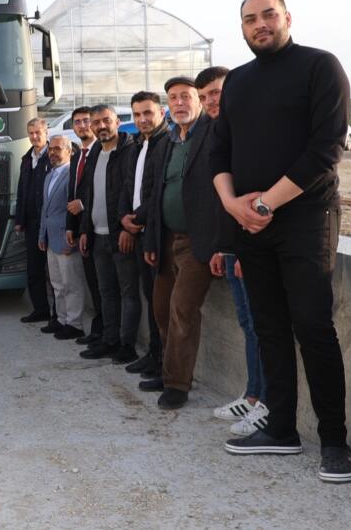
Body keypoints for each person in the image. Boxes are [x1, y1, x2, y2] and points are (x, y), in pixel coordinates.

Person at [212, 0, 351, 483]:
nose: (260, 24)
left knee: (313, 328)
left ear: (287, 17)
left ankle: (334, 442)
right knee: (269, 327)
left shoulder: (320, 66)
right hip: (250, 224)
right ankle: (281, 429)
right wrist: (233, 204)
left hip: (306, 220)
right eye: (250, 19)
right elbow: (219, 152)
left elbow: (326, 149)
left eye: (268, 15)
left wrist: (265, 203)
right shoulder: (238, 81)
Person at [198, 66, 269, 436]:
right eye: (204, 96)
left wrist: (243, 250)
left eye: (216, 92)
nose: (211, 100)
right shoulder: (218, 132)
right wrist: (222, 248)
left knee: (262, 326)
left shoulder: (247, 131)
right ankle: (252, 394)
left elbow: (252, 195)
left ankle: (265, 402)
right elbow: (221, 202)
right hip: (230, 248)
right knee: (248, 325)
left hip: (251, 248)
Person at [141, 77, 218, 410]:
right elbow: (155, 194)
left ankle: (177, 385)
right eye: (173, 98)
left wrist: (222, 244)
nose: (179, 103)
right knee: (160, 308)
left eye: (186, 96)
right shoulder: (168, 142)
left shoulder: (212, 135)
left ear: (198, 101)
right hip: (166, 239)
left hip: (198, 242)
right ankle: (168, 369)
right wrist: (151, 239)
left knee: (182, 309)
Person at [74, 105, 139, 362]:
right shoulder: (95, 154)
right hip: (97, 236)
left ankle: (127, 346)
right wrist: (84, 230)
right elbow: (89, 196)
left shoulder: (130, 151)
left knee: (128, 294)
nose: (101, 126)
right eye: (96, 122)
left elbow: (132, 192)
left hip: (120, 236)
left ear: (117, 122)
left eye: (106, 120)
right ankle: (109, 340)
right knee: (106, 292)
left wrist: (127, 229)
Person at [118, 92, 169, 379]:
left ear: (161, 113)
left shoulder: (167, 143)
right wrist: (124, 219)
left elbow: (160, 191)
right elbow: (128, 187)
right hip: (137, 231)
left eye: (148, 113)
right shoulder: (137, 145)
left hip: (157, 235)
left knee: (161, 303)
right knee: (150, 297)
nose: (142, 119)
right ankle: (153, 354)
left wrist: (134, 219)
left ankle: (163, 362)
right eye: (137, 114)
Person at [65, 107, 105, 345]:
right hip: (82, 229)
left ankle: (104, 333)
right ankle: (99, 330)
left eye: (86, 121)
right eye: (77, 122)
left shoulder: (101, 151)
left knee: (103, 286)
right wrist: (71, 226)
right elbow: (72, 193)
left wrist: (83, 205)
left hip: (98, 227)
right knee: (93, 282)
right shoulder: (76, 156)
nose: (82, 125)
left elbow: (101, 190)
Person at [38, 136, 84, 339]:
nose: (52, 153)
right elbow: (45, 209)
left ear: (69, 151)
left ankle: (74, 324)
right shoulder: (49, 175)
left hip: (66, 239)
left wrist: (73, 237)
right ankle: (62, 319)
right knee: (57, 283)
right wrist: (42, 234)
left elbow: (75, 211)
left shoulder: (72, 175)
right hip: (50, 239)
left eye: (57, 149)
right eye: (51, 149)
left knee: (71, 284)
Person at [14, 117, 51, 324]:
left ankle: (59, 315)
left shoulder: (55, 155)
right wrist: (19, 220)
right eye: (31, 133)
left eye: (38, 133)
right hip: (31, 223)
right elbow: (22, 190)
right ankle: (40, 309)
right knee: (34, 270)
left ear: (46, 132)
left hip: (50, 223)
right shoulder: (27, 159)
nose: (34, 137)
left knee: (54, 272)